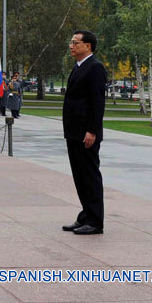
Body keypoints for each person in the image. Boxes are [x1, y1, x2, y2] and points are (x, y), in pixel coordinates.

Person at [62, 30, 106, 235]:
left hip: (86, 133)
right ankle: (86, 215)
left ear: (88, 46)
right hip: (74, 131)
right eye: (71, 42)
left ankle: (96, 221)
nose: (71, 46)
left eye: (75, 42)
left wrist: (92, 131)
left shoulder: (95, 68)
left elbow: (97, 103)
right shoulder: (79, 67)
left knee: (89, 176)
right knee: (79, 176)